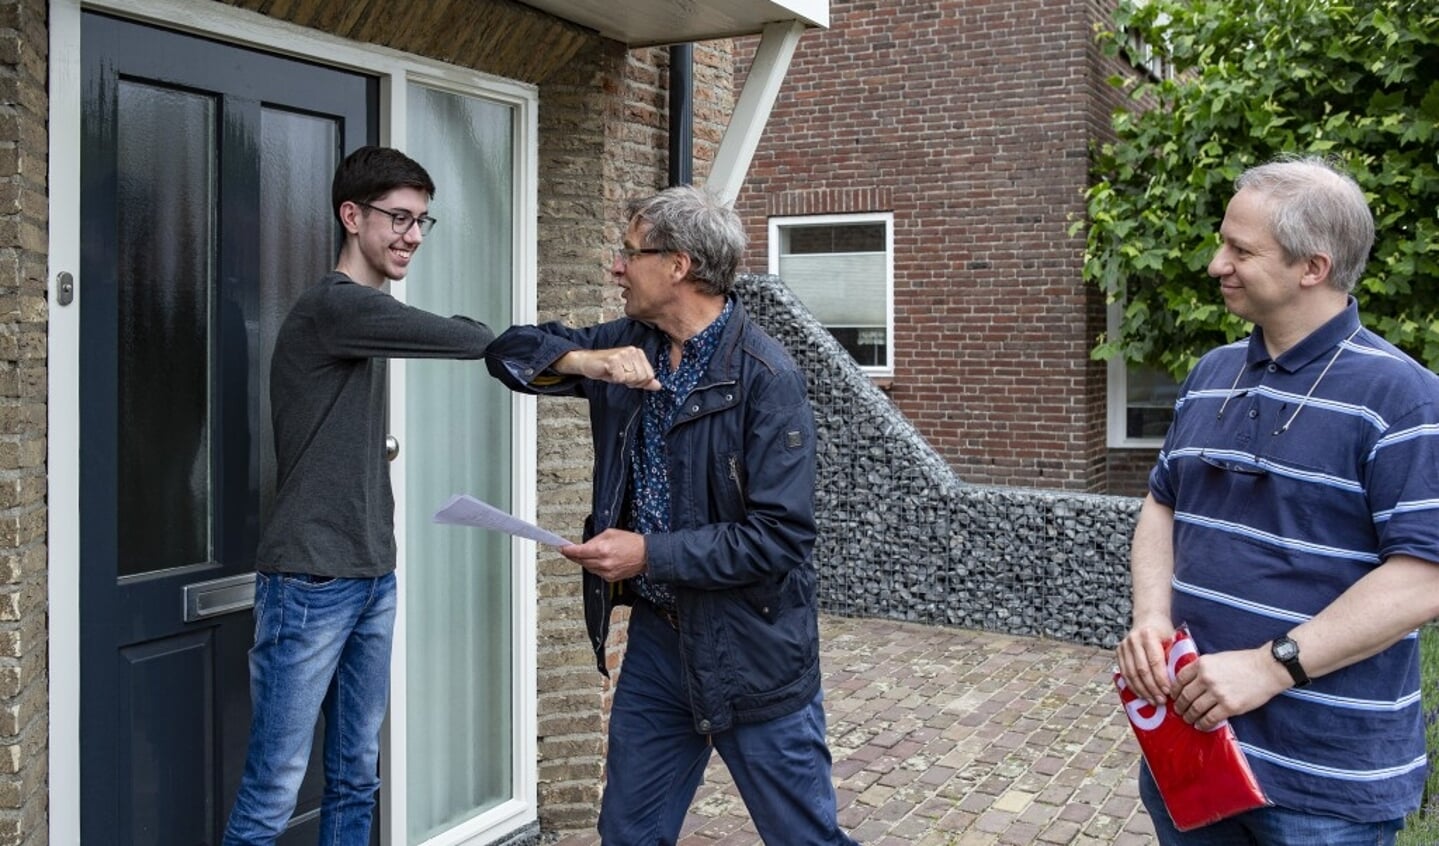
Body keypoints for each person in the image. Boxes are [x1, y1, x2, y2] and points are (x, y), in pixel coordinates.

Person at [485, 185, 858, 845]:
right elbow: (507, 352)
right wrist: (581, 360)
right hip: (660, 649)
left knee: (805, 839)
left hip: (754, 648)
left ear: (678, 265)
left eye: (629, 253)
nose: (616, 268)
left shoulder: (765, 379)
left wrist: (647, 555)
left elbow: (780, 538)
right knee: (628, 836)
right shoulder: (629, 345)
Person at [1115, 155, 1439, 845]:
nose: (1215, 264)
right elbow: (1162, 504)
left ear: (1311, 268)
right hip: (1192, 754)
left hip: (1323, 790)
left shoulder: (1403, 397)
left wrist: (1269, 667)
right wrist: (1150, 618)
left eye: (1240, 249)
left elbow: (1422, 578)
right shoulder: (1210, 373)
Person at [222, 146, 495, 845]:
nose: (411, 236)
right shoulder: (334, 308)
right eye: (398, 218)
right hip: (310, 578)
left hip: (372, 574)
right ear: (351, 215)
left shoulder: (364, 313)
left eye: (422, 222)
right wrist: (565, 354)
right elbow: (461, 340)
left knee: (355, 775)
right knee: (273, 788)